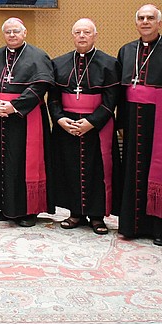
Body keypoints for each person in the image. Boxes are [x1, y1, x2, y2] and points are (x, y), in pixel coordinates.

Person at [116, 4, 162, 245]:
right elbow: (122, 92)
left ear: (159, 23)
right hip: (134, 118)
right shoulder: (126, 50)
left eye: (150, 18)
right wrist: (122, 122)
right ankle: (132, 225)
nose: (145, 22)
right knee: (133, 170)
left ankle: (160, 229)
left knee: (160, 171)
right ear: (136, 23)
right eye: (141, 18)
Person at [0, 17, 54, 226]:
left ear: (24, 33)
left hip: (26, 118)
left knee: (22, 163)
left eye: (16, 31)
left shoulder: (38, 56)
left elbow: (40, 86)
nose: (12, 35)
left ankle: (28, 211)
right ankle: (5, 207)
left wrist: (14, 106)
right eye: (8, 32)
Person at [49, 18, 121, 235]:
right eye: (78, 32)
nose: (82, 36)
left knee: (96, 169)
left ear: (95, 36)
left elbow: (111, 100)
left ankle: (97, 216)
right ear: (72, 36)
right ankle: (75, 213)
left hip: (97, 127)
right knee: (69, 167)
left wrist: (91, 122)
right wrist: (60, 119)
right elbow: (52, 98)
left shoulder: (109, 63)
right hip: (67, 126)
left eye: (86, 32)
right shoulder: (58, 63)